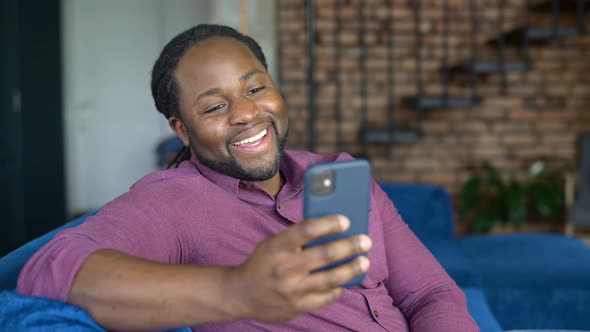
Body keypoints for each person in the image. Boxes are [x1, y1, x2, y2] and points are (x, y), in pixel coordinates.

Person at [17, 24, 478, 331]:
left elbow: (430, 293)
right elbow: (50, 271)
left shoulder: (338, 173)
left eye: (256, 89)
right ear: (182, 129)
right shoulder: (173, 201)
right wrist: (237, 290)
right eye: (214, 106)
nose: (245, 114)